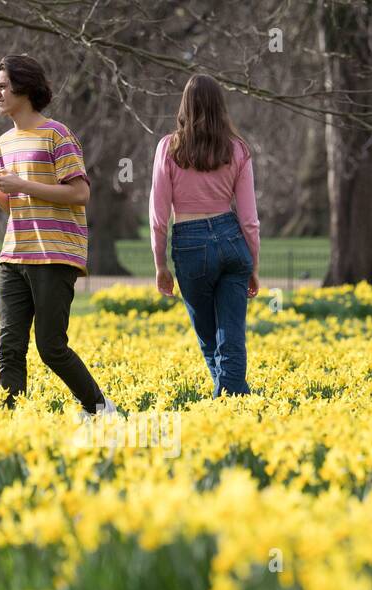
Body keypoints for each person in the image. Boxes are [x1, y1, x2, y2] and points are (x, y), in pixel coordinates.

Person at [0, 54, 114, 418]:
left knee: (51, 347)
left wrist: (20, 183)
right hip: (14, 254)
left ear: (25, 87)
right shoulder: (4, 143)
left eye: (2, 86)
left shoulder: (57, 134)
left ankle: (99, 409)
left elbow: (80, 194)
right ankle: (9, 421)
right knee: (8, 346)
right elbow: (14, 206)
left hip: (54, 254)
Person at [150, 74, 259, 397]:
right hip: (231, 240)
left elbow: (158, 217)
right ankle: (238, 402)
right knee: (232, 335)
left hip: (191, 243)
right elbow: (250, 219)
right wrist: (252, 263)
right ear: (220, 108)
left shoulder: (169, 148)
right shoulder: (238, 149)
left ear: (185, 106)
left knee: (210, 337)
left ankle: (230, 404)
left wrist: (160, 265)